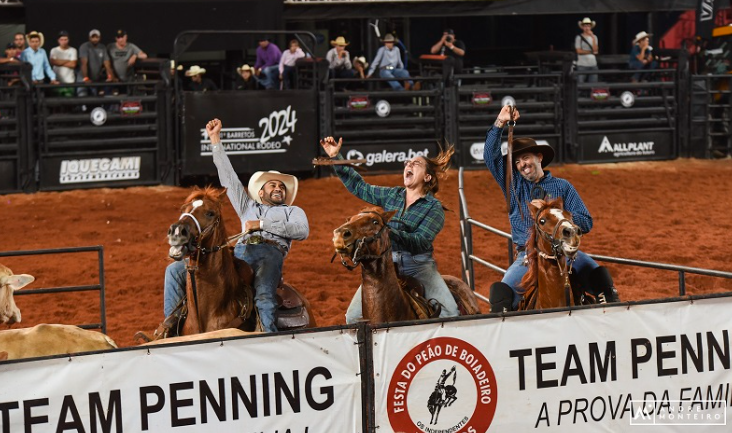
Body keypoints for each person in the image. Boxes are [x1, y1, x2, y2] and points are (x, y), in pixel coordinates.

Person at [163, 118, 309, 333]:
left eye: (281, 186)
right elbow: (228, 178)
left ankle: (268, 337)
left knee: (264, 295)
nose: (278, 188)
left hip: (269, 255)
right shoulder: (246, 205)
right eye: (273, 185)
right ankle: (170, 325)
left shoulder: (293, 211)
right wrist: (215, 140)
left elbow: (302, 231)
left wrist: (261, 224)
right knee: (175, 271)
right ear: (260, 192)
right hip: (239, 253)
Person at [484, 104, 619, 312]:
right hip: (527, 256)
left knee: (604, 284)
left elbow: (586, 220)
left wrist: (561, 220)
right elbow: (490, 158)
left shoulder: (563, 187)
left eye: (526, 157)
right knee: (501, 300)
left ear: (539, 157)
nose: (522, 164)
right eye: (517, 161)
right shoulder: (513, 185)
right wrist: (500, 123)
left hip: (566, 253)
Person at [319, 135, 459, 323]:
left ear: (427, 177)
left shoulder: (433, 208)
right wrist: (337, 157)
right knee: (353, 317)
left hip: (418, 266)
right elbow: (360, 187)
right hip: (386, 262)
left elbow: (421, 242)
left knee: (450, 313)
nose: (408, 165)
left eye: (415, 163)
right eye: (407, 163)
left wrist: (388, 233)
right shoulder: (393, 194)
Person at [575, 17, 599, 83]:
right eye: (585, 26)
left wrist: (592, 37)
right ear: (582, 27)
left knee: (593, 84)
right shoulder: (579, 37)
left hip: (593, 64)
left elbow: (596, 50)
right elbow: (578, 51)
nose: (587, 28)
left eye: (588, 26)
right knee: (580, 84)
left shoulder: (595, 37)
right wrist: (590, 52)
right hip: (582, 65)